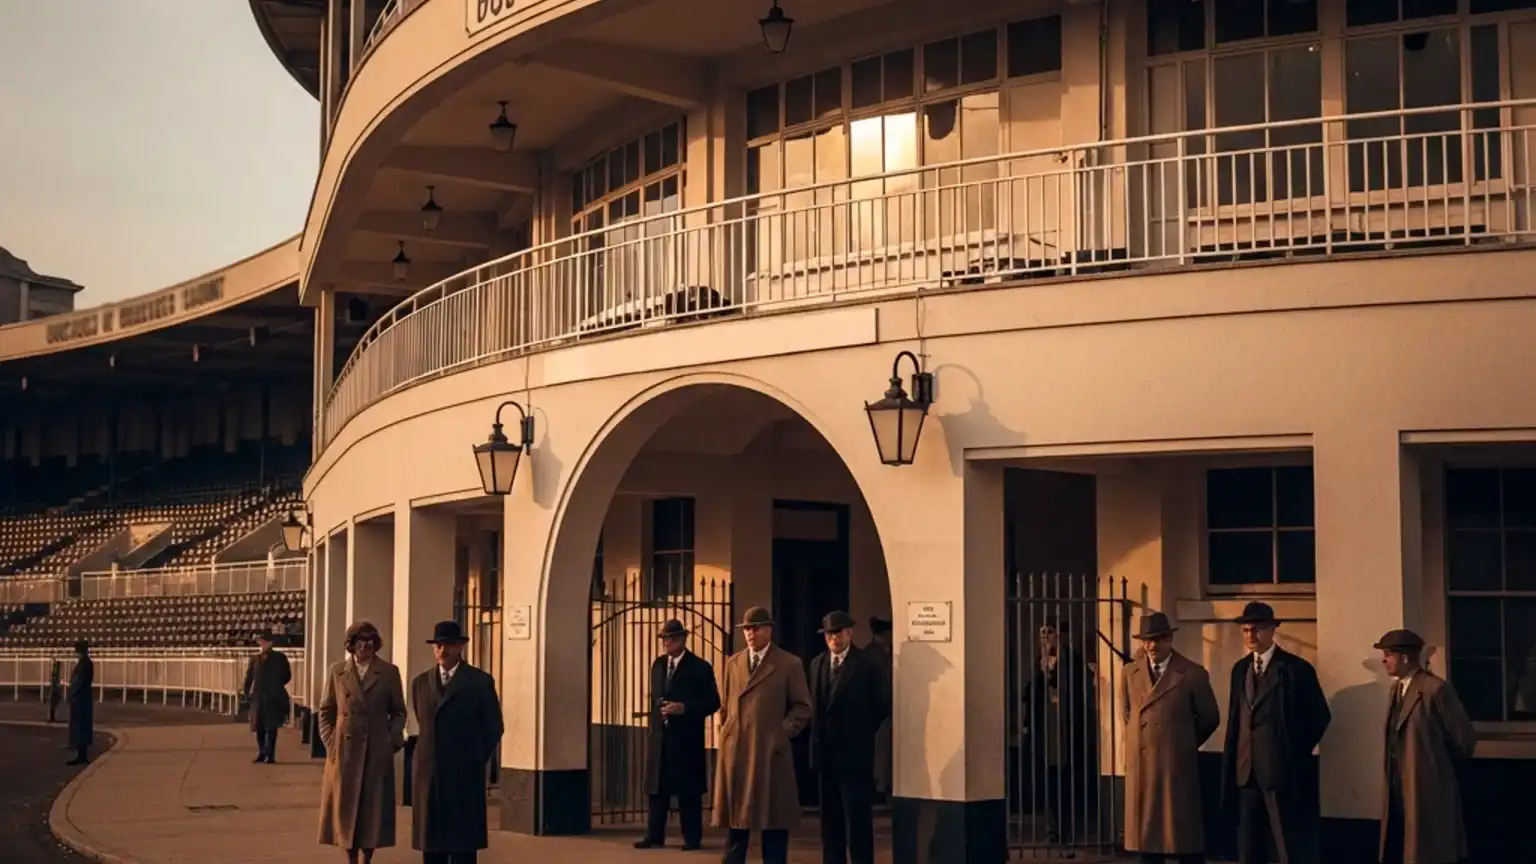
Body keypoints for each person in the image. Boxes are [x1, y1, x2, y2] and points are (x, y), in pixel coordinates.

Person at [1221, 602, 1331, 864]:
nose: (1251, 636)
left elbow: (1319, 717)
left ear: (1272, 630)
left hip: (1281, 771)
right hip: (1246, 771)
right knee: (1249, 845)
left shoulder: (1295, 669)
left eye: (1257, 629)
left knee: (1287, 844)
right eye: (1246, 630)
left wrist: (1290, 750)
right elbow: (1236, 719)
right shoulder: (1240, 669)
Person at [714, 606, 813, 864]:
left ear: (769, 629)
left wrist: (781, 733)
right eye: (747, 628)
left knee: (773, 820)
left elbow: (803, 707)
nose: (750, 633)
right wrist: (726, 733)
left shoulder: (788, 663)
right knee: (737, 824)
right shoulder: (733, 663)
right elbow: (725, 705)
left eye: (756, 628)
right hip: (738, 751)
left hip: (770, 751)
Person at [1120, 611, 1220, 864]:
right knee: (1148, 840)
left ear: (1169, 640)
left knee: (1181, 834)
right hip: (1142, 765)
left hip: (1175, 766)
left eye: (1159, 639)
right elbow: (1127, 713)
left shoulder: (1192, 673)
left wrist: (1181, 742)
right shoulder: (1130, 673)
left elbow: (1209, 718)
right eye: (1147, 640)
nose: (1153, 646)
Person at [1374, 629, 1476, 864]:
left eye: (1388, 654)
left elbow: (1463, 739)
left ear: (1405, 658)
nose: (1384, 660)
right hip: (1398, 783)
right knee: (1402, 843)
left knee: (1427, 849)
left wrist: (1434, 765)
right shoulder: (1396, 689)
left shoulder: (1435, 689)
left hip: (1427, 784)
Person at [410, 620, 503, 864]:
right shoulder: (420, 683)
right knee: (432, 842)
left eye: (449, 645)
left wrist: (473, 756)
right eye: (438, 646)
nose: (443, 650)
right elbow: (423, 720)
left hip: (463, 772)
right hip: (429, 772)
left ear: (460, 647)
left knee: (463, 842)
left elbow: (493, 726)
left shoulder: (479, 682)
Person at [318, 621, 407, 864]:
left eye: (370, 641)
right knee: (345, 808)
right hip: (344, 751)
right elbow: (326, 710)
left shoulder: (388, 672)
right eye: (360, 641)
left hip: (376, 750)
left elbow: (399, 711)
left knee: (372, 809)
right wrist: (330, 742)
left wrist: (391, 740)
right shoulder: (338, 671)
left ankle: (367, 858)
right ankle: (350, 857)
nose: (365, 647)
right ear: (351, 644)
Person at [808, 611, 888, 864]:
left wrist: (861, 731)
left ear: (849, 633)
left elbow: (881, 705)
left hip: (855, 754)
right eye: (830, 634)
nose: (834, 638)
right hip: (825, 755)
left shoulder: (866, 664)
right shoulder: (817, 664)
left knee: (857, 819)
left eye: (839, 632)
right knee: (830, 821)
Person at [634, 619, 720, 851]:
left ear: (682, 639)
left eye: (669, 639)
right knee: (657, 788)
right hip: (660, 736)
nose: (665, 643)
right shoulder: (659, 665)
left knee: (688, 791)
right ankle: (654, 835)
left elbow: (713, 702)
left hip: (686, 739)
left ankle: (692, 839)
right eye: (663, 639)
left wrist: (684, 708)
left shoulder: (700, 667)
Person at [1021, 620, 1099, 845]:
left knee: (1068, 780)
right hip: (1045, 730)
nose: (1046, 639)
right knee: (1047, 781)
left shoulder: (1072, 660)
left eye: (1050, 634)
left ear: (1059, 636)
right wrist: (1042, 671)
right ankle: (1051, 828)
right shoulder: (1038, 661)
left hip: (1067, 729)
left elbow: (1079, 688)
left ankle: (1069, 830)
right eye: (1042, 635)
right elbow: (1027, 693)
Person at [243, 628, 293, 763]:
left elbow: (287, 675)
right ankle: (262, 752)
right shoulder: (255, 659)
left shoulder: (279, 658)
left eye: (264, 641)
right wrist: (247, 692)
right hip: (259, 696)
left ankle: (270, 754)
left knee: (271, 727)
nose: (262, 644)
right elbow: (249, 677)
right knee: (259, 726)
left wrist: (276, 684)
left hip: (273, 696)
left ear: (270, 643)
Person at [865, 616, 894, 800]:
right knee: (880, 749)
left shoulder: (885, 652)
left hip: (887, 709)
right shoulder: (873, 654)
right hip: (878, 712)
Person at [67, 639, 94, 766]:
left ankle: (81, 754)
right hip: (83, 698)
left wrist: (72, 693)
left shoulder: (85, 664)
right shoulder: (86, 663)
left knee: (80, 727)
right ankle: (81, 753)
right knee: (80, 727)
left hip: (80, 699)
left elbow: (80, 682)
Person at [48, 659, 62, 724]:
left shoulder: (56, 676)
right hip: (55, 689)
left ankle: (52, 717)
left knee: (53, 704)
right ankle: (52, 717)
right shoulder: (56, 675)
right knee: (53, 704)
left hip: (55, 689)